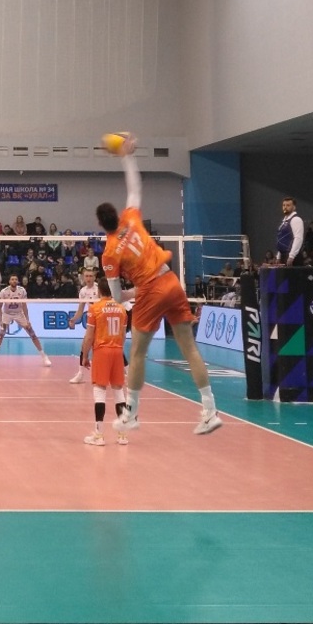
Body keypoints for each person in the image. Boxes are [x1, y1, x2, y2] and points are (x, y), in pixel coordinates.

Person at [101, 134, 220, 435]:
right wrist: (127, 155)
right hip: (171, 280)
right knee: (189, 348)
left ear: (101, 225)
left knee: (138, 353)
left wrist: (135, 291)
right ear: (117, 214)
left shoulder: (110, 253)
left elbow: (117, 296)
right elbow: (135, 188)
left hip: (151, 291)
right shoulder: (131, 219)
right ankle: (210, 410)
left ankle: (131, 415)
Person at [80, 277, 131, 446]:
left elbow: (89, 337)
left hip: (102, 351)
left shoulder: (95, 308)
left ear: (99, 291)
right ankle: (122, 435)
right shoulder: (122, 309)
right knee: (119, 391)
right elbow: (123, 336)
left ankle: (99, 435)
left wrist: (84, 356)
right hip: (117, 351)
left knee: (100, 390)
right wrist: (118, 349)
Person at [0, 274, 49, 366]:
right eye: (12, 279)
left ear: (17, 281)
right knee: (1, 334)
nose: (14, 281)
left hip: (19, 313)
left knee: (32, 333)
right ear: (9, 281)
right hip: (7, 314)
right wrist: (0, 319)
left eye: (16, 279)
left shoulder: (22, 290)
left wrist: (27, 320)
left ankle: (44, 356)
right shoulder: (4, 292)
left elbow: (24, 306)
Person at [68, 267, 100, 383]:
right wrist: (73, 319)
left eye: (91, 276)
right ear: (83, 277)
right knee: (84, 346)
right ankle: (80, 374)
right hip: (92, 322)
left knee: (110, 347)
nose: (88, 278)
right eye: (86, 276)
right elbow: (81, 310)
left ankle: (126, 371)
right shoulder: (83, 291)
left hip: (102, 321)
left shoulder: (99, 289)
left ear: (95, 277)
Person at [277, 197, 305, 266]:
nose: (285, 207)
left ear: (294, 207)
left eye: (288, 205)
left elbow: (298, 238)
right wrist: (278, 256)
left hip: (292, 255)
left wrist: (292, 256)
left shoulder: (296, 220)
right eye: (284, 205)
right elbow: (281, 239)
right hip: (283, 254)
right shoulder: (284, 222)